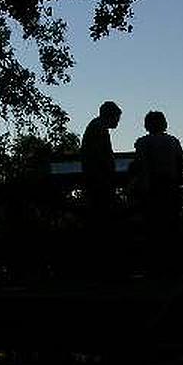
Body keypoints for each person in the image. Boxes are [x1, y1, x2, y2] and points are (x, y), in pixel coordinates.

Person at [131, 111, 183, 270]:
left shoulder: (142, 143)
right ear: (164, 124)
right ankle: (173, 266)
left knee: (152, 229)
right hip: (172, 191)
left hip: (151, 192)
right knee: (171, 228)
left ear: (147, 125)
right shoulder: (173, 141)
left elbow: (138, 166)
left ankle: (154, 267)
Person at [80, 101, 121, 276]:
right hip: (98, 181)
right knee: (102, 218)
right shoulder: (99, 129)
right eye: (117, 118)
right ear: (111, 116)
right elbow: (100, 156)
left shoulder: (96, 127)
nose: (118, 122)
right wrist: (108, 171)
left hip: (96, 179)